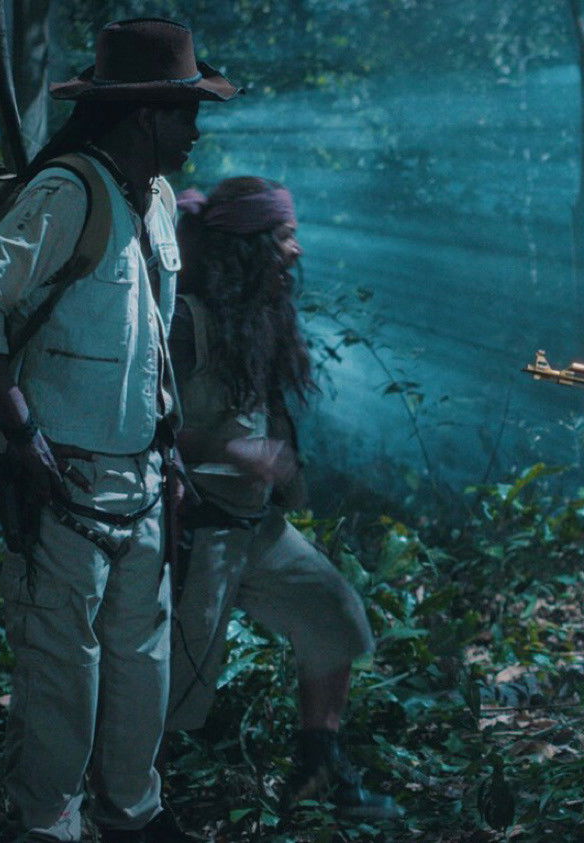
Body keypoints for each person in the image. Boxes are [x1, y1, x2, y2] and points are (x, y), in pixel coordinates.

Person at [0, 18, 236, 842]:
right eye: (184, 113)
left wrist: (169, 452)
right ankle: (45, 824)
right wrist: (22, 433)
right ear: (143, 116)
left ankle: (133, 815)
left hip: (142, 479)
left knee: (141, 659)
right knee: (62, 670)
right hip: (63, 480)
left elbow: (149, 340)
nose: (195, 132)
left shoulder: (155, 201)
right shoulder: (69, 194)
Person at [164, 177, 400, 819]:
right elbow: (138, 423)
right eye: (284, 237)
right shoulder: (184, 318)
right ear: (246, 247)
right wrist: (230, 450)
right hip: (192, 531)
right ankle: (134, 805)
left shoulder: (259, 317)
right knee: (174, 682)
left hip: (253, 526)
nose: (296, 251)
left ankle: (320, 768)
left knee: (332, 614)